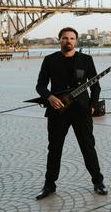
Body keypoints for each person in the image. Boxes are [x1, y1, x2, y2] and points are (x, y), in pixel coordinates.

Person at [35, 27, 107, 199]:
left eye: (72, 38)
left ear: (76, 41)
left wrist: (93, 104)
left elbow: (95, 85)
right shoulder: (49, 60)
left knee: (88, 147)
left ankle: (98, 182)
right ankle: (49, 185)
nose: (69, 41)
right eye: (65, 38)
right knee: (54, 148)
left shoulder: (86, 59)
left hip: (81, 111)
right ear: (59, 40)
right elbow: (40, 86)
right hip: (57, 111)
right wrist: (50, 97)